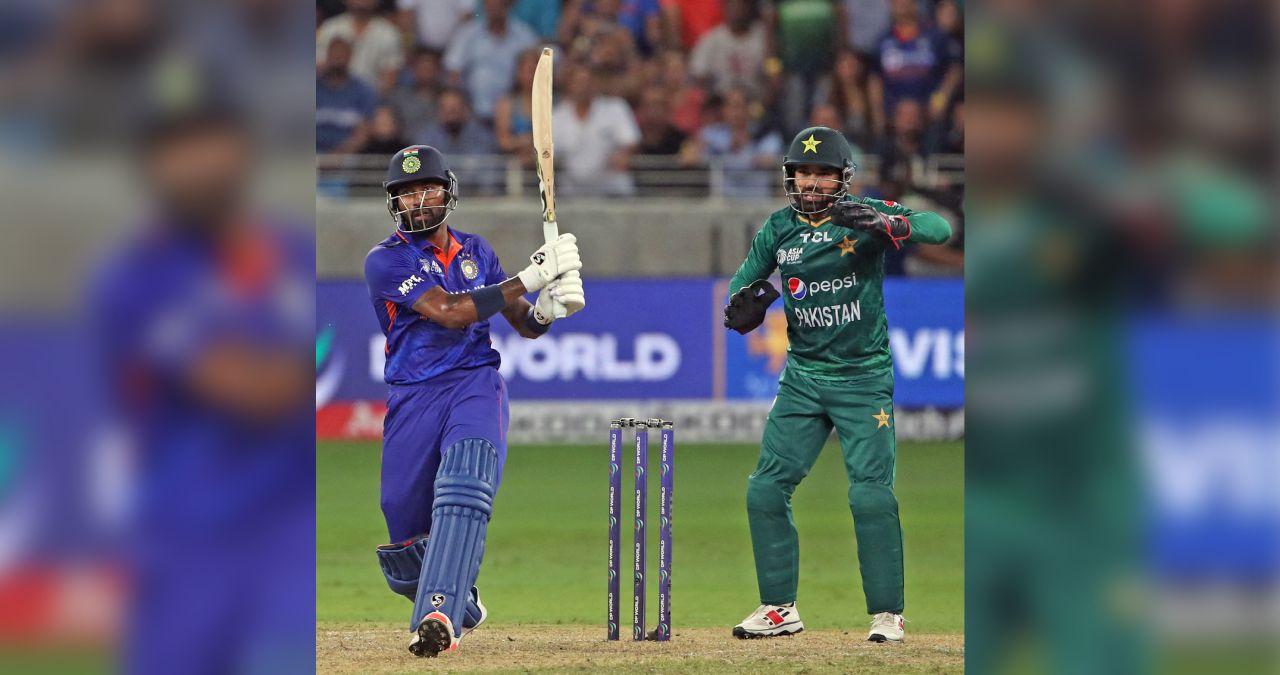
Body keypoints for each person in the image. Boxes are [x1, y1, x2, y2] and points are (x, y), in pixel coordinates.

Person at [722, 126, 952, 642]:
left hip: (862, 380)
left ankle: (887, 614)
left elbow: (939, 228)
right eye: (803, 173)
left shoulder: (863, 215)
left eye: (823, 174)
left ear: (843, 178)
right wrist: (744, 304)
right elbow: (743, 282)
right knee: (765, 488)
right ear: (790, 177)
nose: (811, 183)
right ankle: (779, 608)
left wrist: (889, 223)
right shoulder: (779, 228)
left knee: (870, 496)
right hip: (802, 379)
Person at [365, 145, 585, 657]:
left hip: (473, 384)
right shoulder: (386, 259)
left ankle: (439, 614)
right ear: (394, 202)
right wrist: (530, 277)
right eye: (406, 193)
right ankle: (462, 603)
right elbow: (449, 311)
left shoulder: (476, 251)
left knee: (463, 485)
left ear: (448, 191)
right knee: (403, 543)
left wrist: (547, 308)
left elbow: (523, 322)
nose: (419, 200)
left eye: (428, 188)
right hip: (413, 394)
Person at [442, 0, 539, 122]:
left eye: (498, 4)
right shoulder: (468, 33)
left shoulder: (524, 36)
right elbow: (452, 70)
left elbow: (536, 69)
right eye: (490, 5)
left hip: (513, 114)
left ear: (508, 6)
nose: (494, 9)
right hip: (472, 113)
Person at [316, 0, 405, 93]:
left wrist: (369, 98)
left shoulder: (389, 33)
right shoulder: (330, 28)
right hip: (331, 95)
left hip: (373, 96)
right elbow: (319, 67)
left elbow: (389, 78)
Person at [316, 37, 377, 154]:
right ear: (327, 55)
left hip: (350, 158)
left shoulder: (364, 90)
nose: (337, 57)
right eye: (334, 53)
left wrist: (337, 156)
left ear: (350, 56)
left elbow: (364, 132)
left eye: (341, 54)